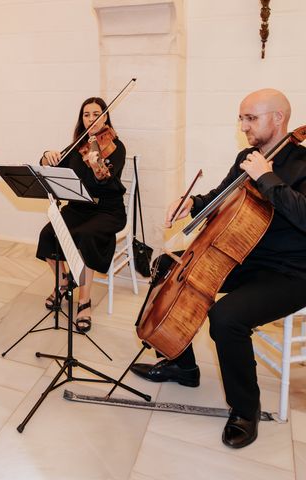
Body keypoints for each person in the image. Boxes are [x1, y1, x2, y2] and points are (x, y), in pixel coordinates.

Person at [130, 88, 306, 448]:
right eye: (241, 117)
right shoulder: (248, 156)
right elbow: (221, 197)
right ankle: (181, 363)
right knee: (168, 264)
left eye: (250, 118)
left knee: (226, 317)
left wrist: (268, 178)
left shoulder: (302, 164)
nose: (243, 125)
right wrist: (191, 203)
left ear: (278, 119)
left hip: (290, 272)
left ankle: (245, 408)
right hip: (244, 255)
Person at [37, 97, 127, 333]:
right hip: (79, 208)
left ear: (105, 116)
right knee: (48, 233)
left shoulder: (116, 147)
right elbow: (52, 169)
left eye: (96, 113)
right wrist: (47, 155)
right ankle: (63, 282)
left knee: (88, 237)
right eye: (86, 114)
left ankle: (84, 300)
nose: (91, 118)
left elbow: (105, 182)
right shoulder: (77, 146)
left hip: (108, 209)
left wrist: (98, 168)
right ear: (82, 119)